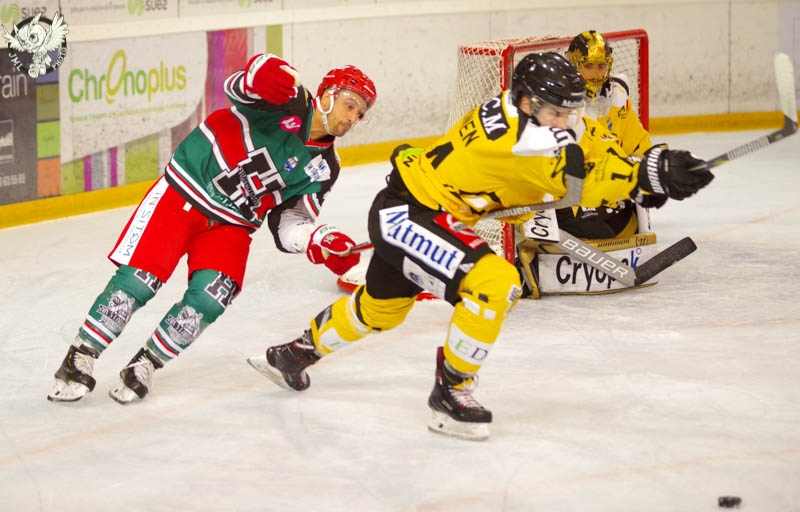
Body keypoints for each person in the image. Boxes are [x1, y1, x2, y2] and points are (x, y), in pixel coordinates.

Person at [247, 52, 714, 441]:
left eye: (567, 110)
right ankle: (451, 392)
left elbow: (584, 144)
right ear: (529, 103)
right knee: (495, 282)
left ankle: (295, 353)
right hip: (410, 215)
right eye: (556, 111)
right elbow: (574, 185)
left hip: (414, 208)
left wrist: (650, 163)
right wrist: (643, 177)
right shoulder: (516, 141)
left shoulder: (528, 113)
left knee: (380, 310)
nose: (565, 119)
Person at [47, 53, 377, 404]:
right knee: (139, 281)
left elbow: (291, 223)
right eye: (350, 104)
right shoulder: (289, 99)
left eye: (360, 113)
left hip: (233, 226)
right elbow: (237, 88)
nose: (353, 118)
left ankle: (145, 364)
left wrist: (318, 239)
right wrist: (258, 76)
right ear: (327, 93)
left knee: (211, 297)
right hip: (186, 191)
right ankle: (80, 356)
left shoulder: (326, 166)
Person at [558, 29, 657, 239]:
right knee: (600, 232)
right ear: (574, 65)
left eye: (601, 66)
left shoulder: (616, 96)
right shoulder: (558, 101)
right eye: (588, 66)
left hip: (608, 195)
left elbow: (637, 143)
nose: (596, 73)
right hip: (572, 199)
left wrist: (660, 165)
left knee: (623, 226)